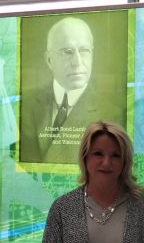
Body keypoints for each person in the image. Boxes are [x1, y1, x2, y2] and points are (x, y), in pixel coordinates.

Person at [21, 17, 103, 164]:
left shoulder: (113, 113)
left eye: (84, 50)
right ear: (49, 60)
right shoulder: (23, 104)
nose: (77, 62)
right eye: (67, 52)